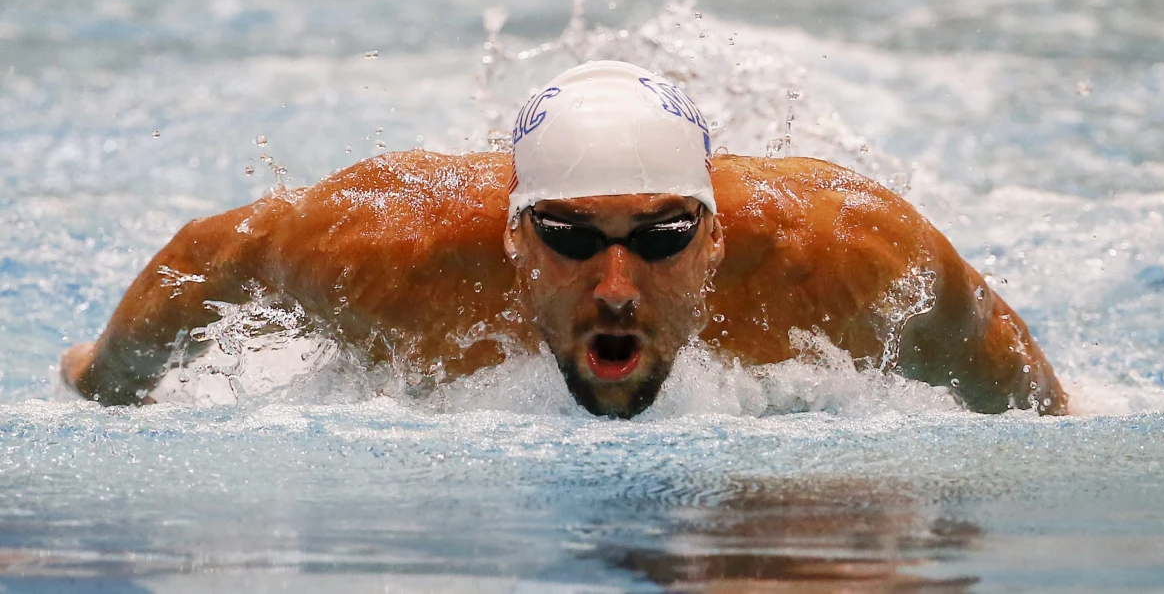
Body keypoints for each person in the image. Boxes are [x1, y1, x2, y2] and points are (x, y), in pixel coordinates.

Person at [61, 61, 1069, 417]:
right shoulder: (386, 252)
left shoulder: (848, 253)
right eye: (570, 237)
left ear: (715, 237)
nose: (617, 284)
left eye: (662, 237)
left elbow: (1032, 407)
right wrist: (105, 384)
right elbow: (210, 255)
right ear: (513, 235)